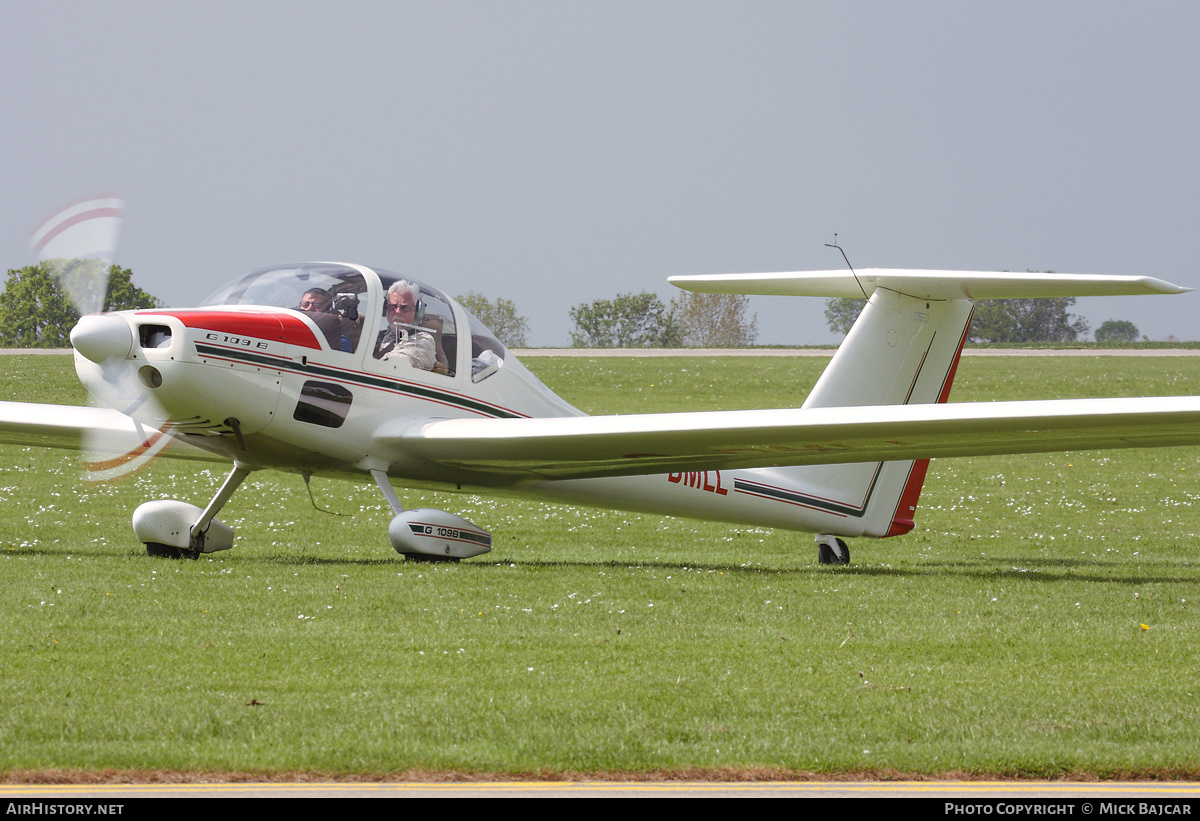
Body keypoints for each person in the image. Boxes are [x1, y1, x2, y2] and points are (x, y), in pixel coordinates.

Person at [374, 280, 436, 370]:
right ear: (385, 308)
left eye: (405, 307)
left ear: (417, 311)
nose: (398, 312)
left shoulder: (423, 340)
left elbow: (392, 366)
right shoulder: (378, 336)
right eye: (393, 306)